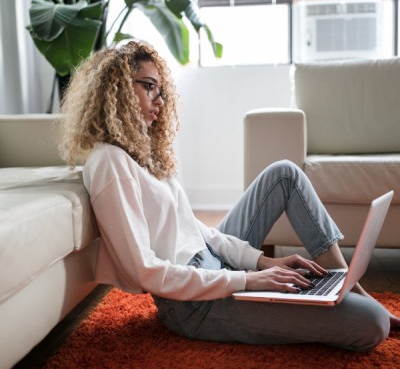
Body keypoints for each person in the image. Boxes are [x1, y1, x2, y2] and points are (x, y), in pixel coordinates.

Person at [59, 41, 399, 352]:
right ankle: (345, 296)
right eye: (149, 87)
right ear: (116, 90)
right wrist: (248, 280)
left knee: (285, 173)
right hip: (193, 304)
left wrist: (261, 262)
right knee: (372, 323)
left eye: (161, 90)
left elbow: (197, 231)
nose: (160, 101)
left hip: (214, 266)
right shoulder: (109, 162)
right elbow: (145, 271)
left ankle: (344, 285)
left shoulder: (143, 154)